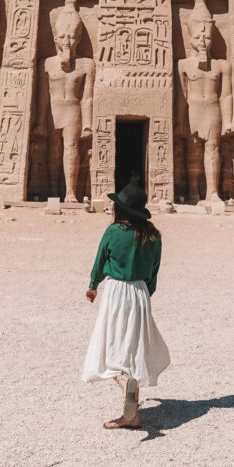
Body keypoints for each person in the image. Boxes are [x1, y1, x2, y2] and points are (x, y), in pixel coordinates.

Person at [83, 179, 170, 429]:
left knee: (110, 344)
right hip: (140, 292)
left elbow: (100, 260)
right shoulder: (153, 235)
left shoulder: (113, 232)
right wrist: (145, 293)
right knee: (134, 346)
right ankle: (132, 413)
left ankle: (124, 382)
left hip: (116, 290)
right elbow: (154, 271)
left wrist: (92, 285)